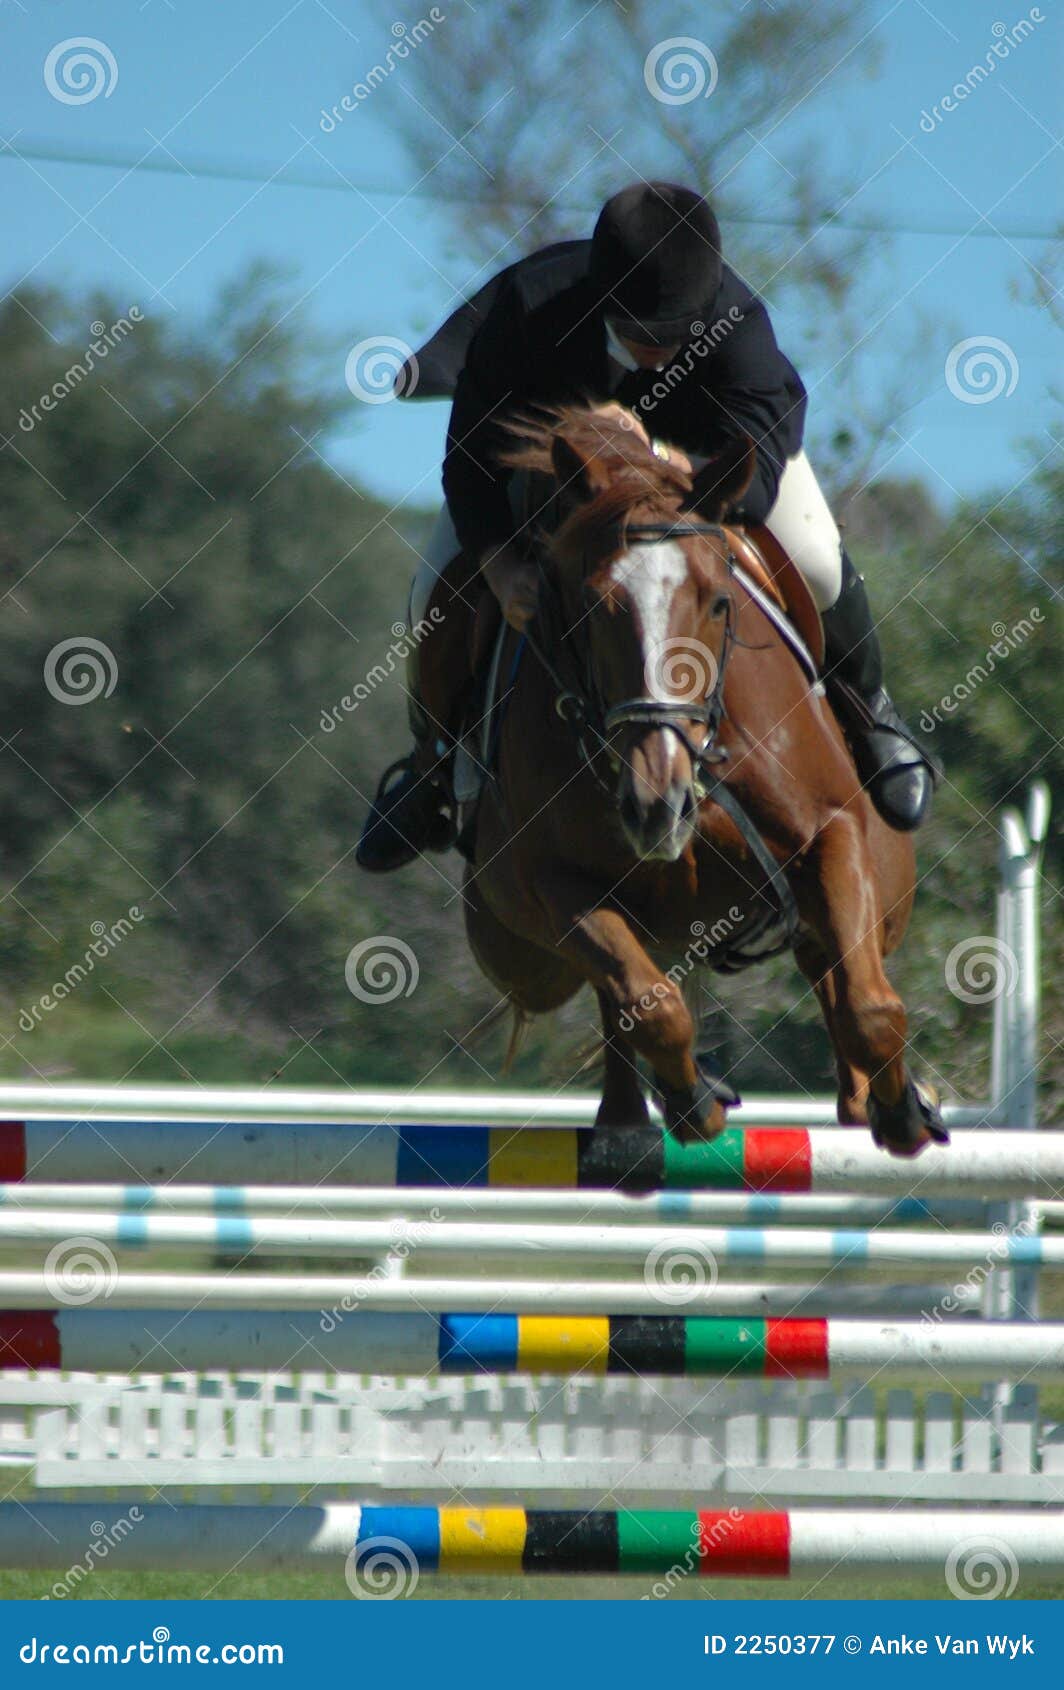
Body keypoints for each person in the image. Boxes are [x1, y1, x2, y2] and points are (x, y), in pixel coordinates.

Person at [357, 181, 937, 873]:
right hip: (554, 471)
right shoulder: (529, 309)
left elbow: (754, 476)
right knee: (432, 592)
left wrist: (656, 453)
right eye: (639, 335)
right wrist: (498, 563)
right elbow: (470, 457)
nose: (657, 351)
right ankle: (429, 770)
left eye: (673, 336)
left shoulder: (737, 320)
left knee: (815, 558)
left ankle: (872, 714)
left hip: (710, 467)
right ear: (601, 299)